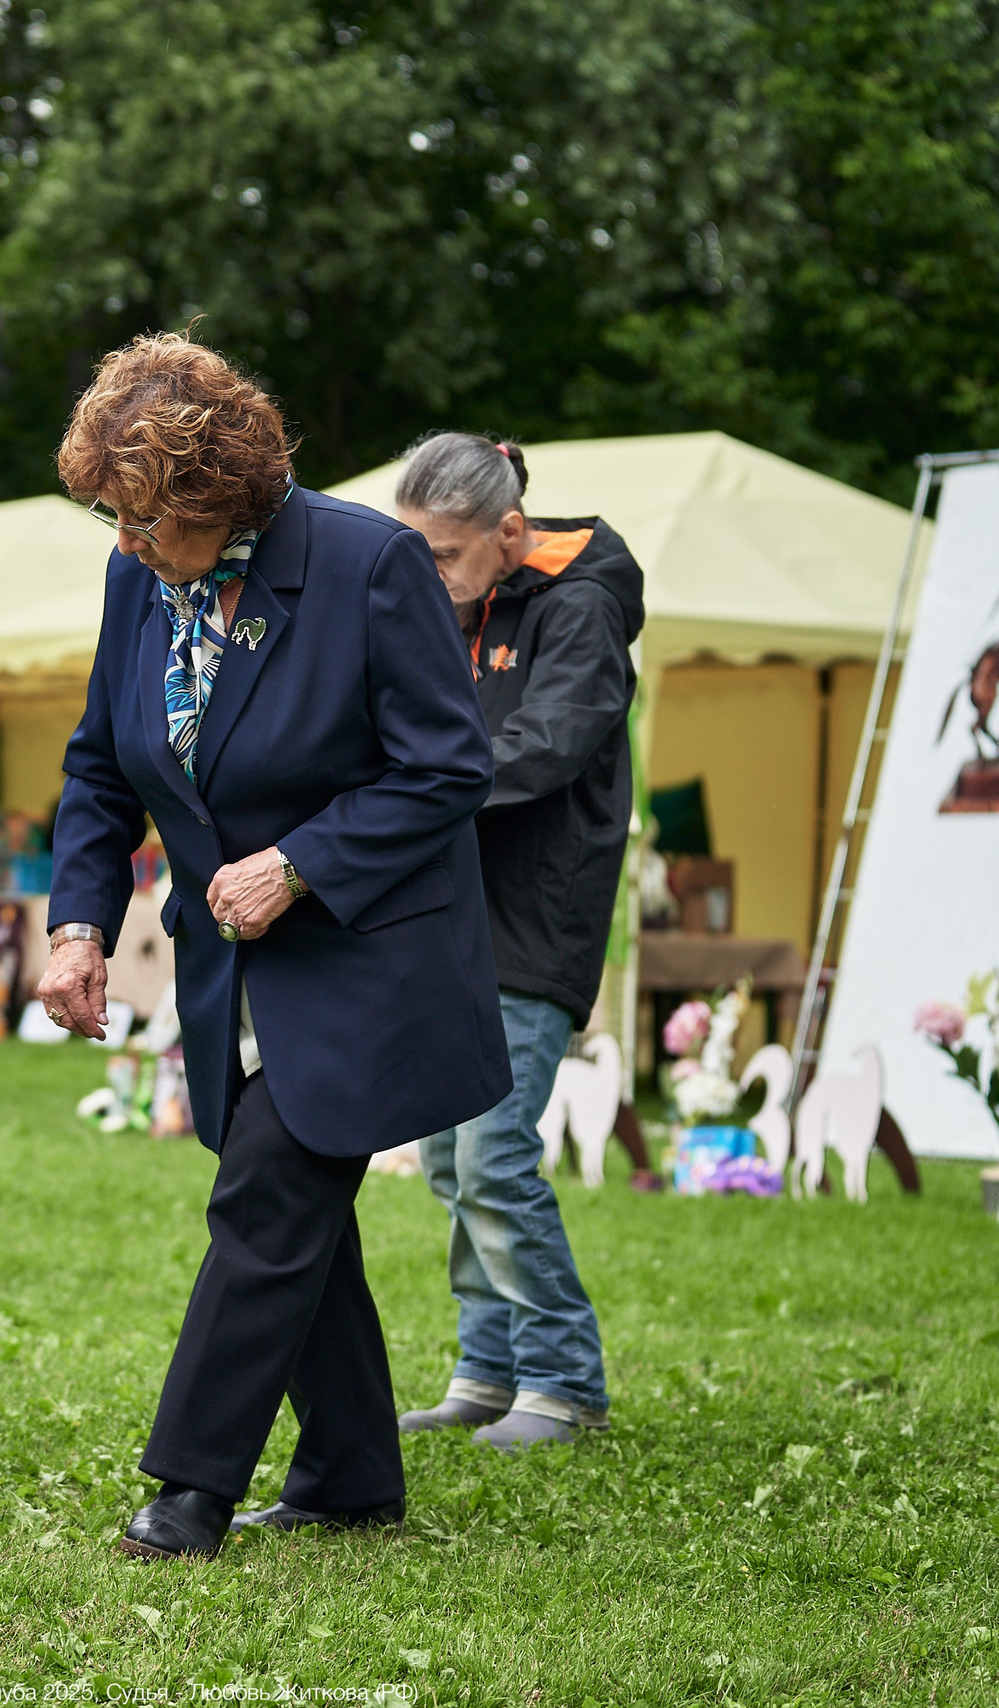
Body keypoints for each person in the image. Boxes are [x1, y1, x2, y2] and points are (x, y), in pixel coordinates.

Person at [32, 331, 510, 1558]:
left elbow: (449, 764)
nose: (125, 544)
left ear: (212, 491)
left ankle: (187, 1491)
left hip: (370, 953)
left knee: (265, 1199)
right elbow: (101, 766)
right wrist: (81, 919)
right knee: (302, 1219)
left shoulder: (368, 566)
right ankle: (351, 1477)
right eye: (112, 522)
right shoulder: (136, 576)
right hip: (229, 961)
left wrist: (302, 863)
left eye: (141, 518)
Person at [392, 433, 643, 1450]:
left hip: (537, 916)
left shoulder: (579, 605)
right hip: (449, 916)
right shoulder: (447, 602)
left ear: (507, 531)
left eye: (444, 555)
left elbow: (545, 743)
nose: (427, 575)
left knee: (494, 1151)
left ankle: (564, 1379)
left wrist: (411, 793)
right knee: (449, 1157)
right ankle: (488, 1369)